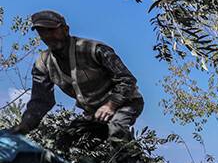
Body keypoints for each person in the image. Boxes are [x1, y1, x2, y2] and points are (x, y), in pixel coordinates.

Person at [10, 10, 144, 148]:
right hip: (95, 114)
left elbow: (127, 80)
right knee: (65, 141)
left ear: (65, 29)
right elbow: (41, 101)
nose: (47, 36)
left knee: (117, 131)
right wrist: (24, 126)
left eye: (51, 30)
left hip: (126, 103)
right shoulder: (43, 64)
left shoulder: (94, 50)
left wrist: (111, 105)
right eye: (42, 32)